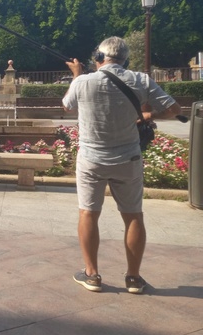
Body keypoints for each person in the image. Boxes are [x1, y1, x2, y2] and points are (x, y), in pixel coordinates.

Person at [63, 36, 181, 294]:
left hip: (92, 159)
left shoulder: (83, 82)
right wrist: (149, 114)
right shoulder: (140, 80)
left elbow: (67, 105)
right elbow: (174, 109)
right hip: (128, 158)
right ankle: (134, 278)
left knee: (88, 213)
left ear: (98, 58)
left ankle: (92, 274)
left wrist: (76, 74)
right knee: (133, 215)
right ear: (125, 59)